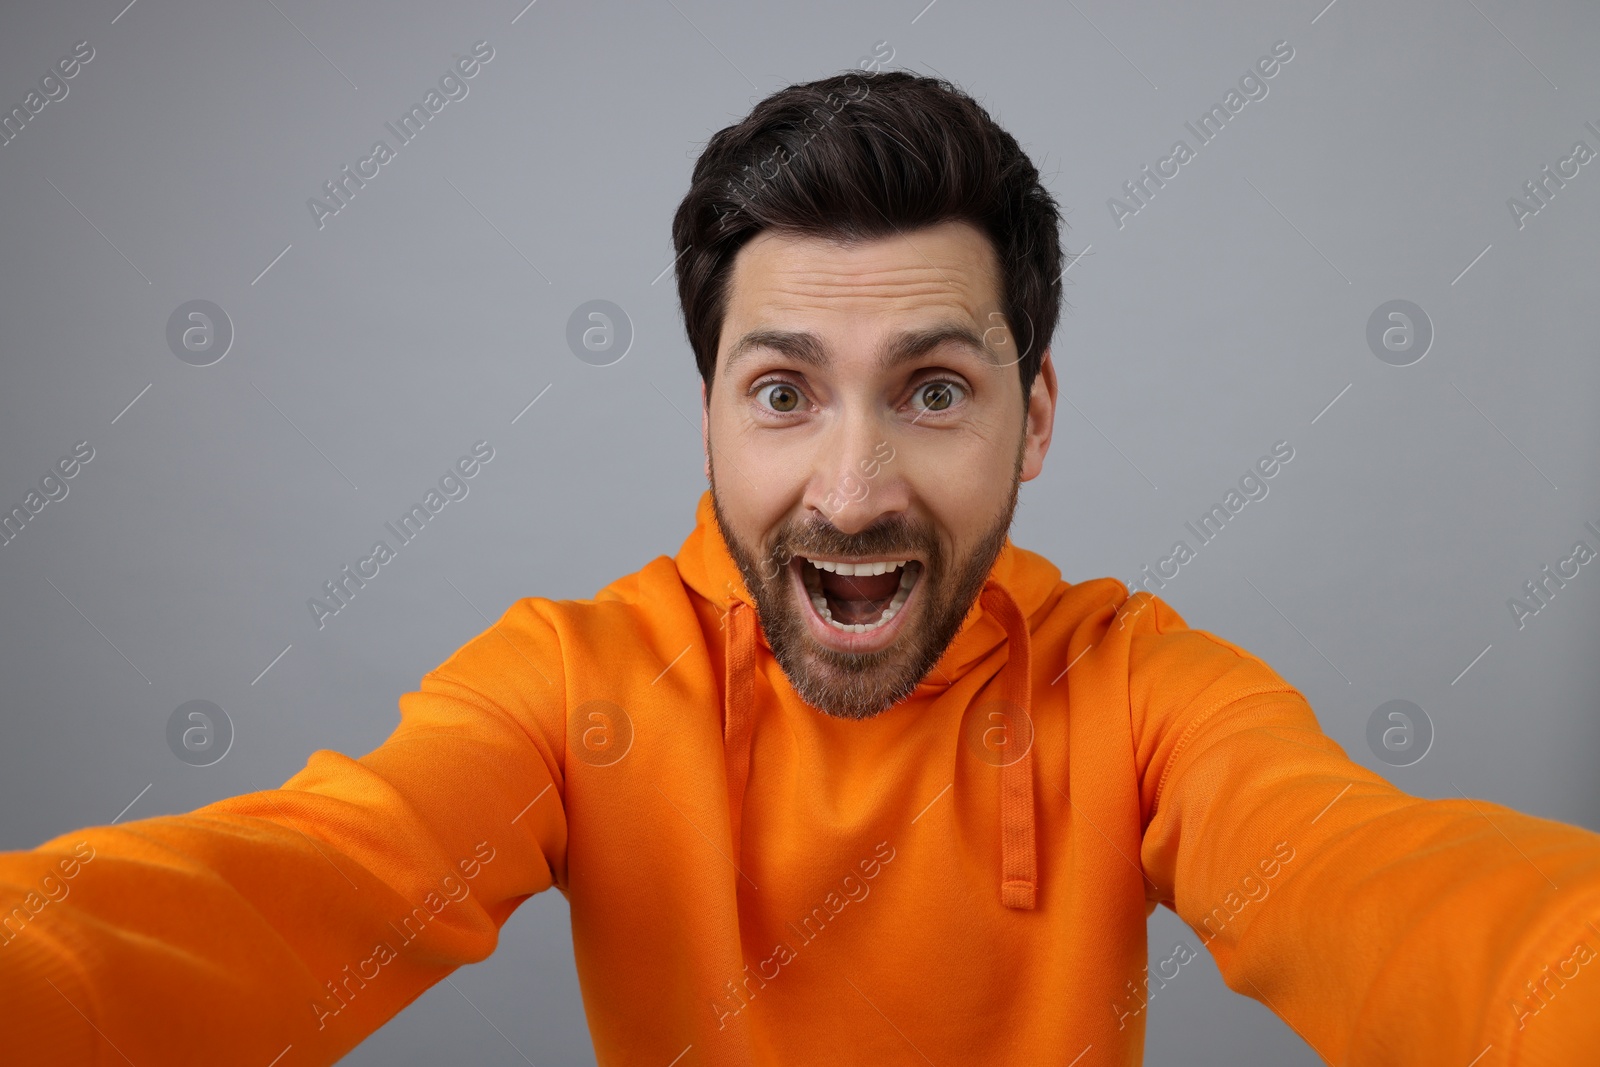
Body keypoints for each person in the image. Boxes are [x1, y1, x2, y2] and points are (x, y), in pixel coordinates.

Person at [3, 69, 1598, 1067]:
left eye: (934, 389)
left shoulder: (1140, 687)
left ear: (1032, 417)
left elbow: (1384, 890)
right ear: (706, 411)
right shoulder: (575, 688)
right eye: (784, 392)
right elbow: (287, 889)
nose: (850, 491)